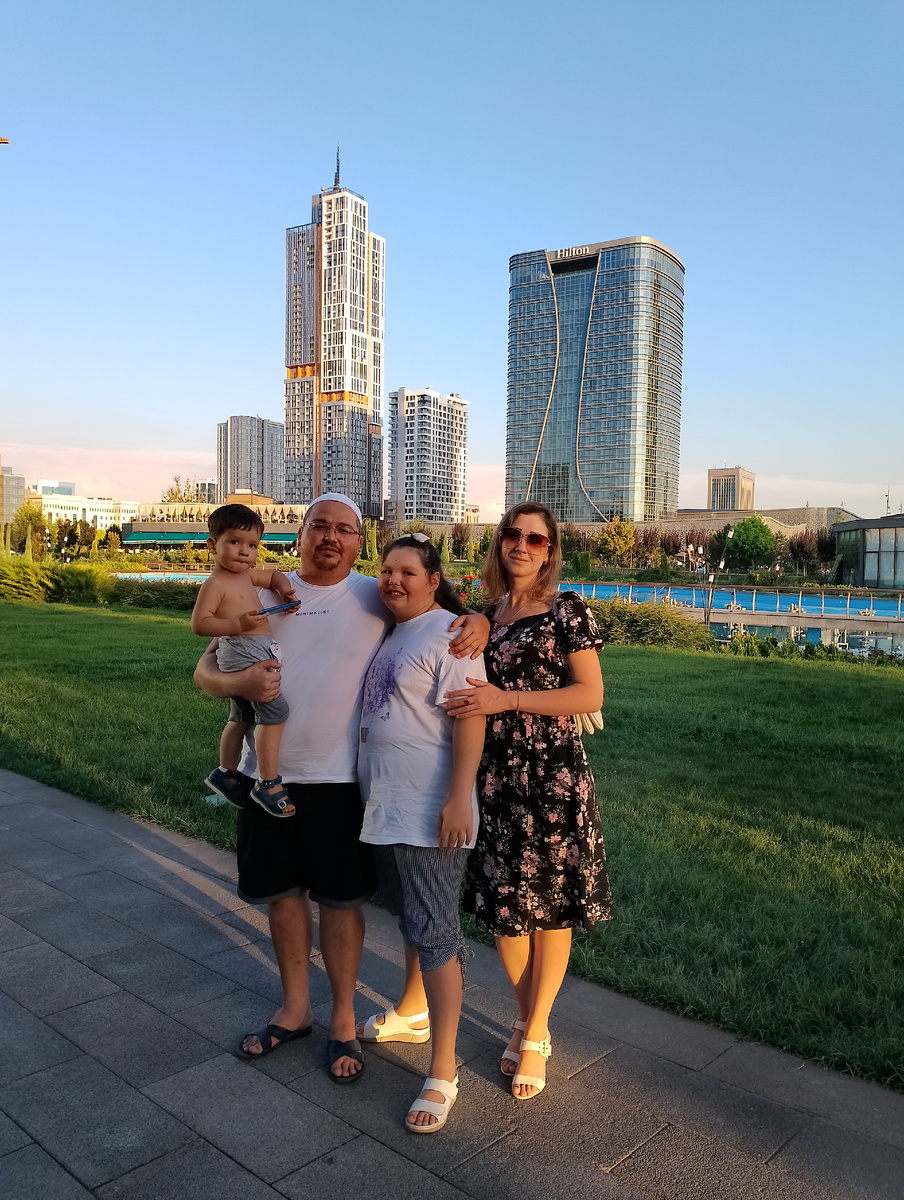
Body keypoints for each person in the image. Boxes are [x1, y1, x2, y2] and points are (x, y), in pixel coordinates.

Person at [192, 494, 488, 1082]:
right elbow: (205, 669)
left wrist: (478, 619)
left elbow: (438, 608)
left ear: (358, 542)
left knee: (341, 902)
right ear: (300, 534)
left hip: (342, 779)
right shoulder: (259, 590)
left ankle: (344, 1020)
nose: (331, 537)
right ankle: (295, 1009)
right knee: (283, 896)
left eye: (344, 529)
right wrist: (235, 683)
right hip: (267, 777)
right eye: (319, 526)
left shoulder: (374, 595)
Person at [445, 502, 611, 1100]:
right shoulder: (486, 614)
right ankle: (525, 1019)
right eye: (512, 534)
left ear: (550, 550)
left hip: (553, 775)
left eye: (535, 539)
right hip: (497, 775)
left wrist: (508, 699)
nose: (521, 545)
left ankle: (536, 1031)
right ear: (499, 543)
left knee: (552, 907)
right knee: (508, 906)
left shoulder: (566, 609)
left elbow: (589, 692)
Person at [356, 536, 486, 1133]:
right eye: (386, 570)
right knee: (408, 915)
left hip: (429, 808)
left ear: (434, 580)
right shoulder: (394, 630)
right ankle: (412, 1011)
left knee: (435, 932)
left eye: (408, 571)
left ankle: (443, 1071)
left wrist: (459, 797)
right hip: (384, 804)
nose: (393, 580)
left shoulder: (450, 635)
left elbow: (470, 717)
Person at [191, 504, 300, 817]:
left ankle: (226, 773)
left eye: (252, 546)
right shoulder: (215, 584)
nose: (244, 552)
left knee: (241, 714)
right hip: (243, 649)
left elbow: (274, 576)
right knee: (275, 711)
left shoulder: (246, 575)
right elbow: (200, 624)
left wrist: (286, 592)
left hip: (249, 647)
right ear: (213, 544)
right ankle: (268, 782)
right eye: (235, 542)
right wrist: (237, 624)